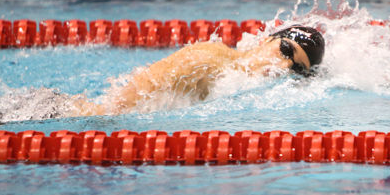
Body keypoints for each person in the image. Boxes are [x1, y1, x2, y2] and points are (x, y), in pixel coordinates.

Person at [74, 25, 325, 116]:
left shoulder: (243, 86)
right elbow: (121, 102)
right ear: (265, 40)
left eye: (297, 69)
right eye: (285, 50)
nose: (284, 66)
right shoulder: (208, 61)